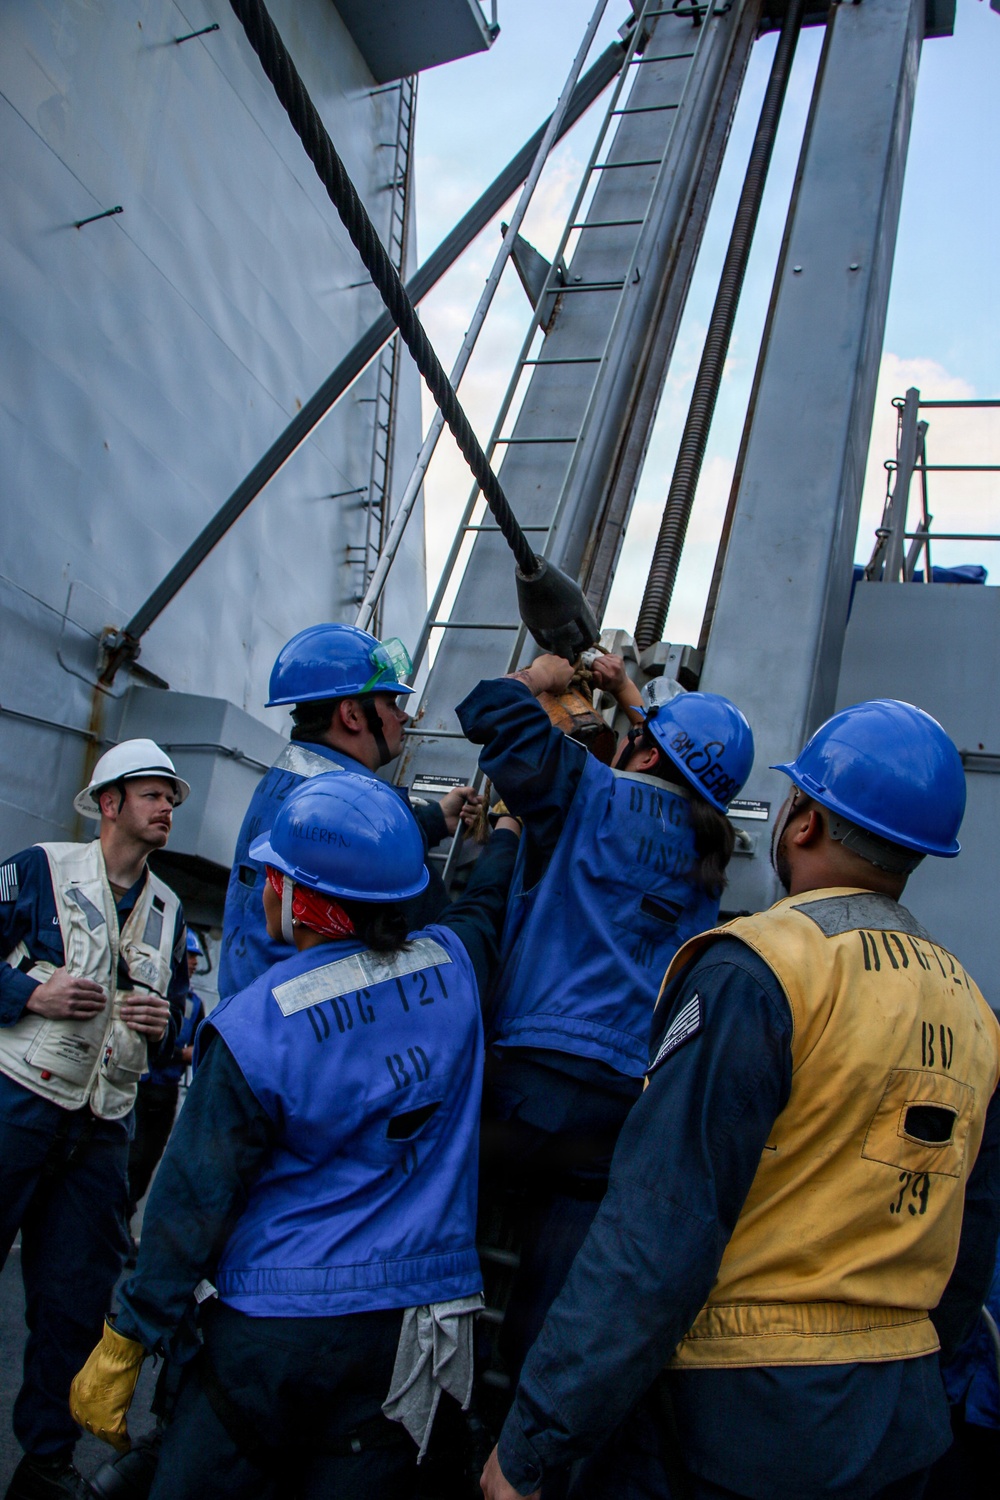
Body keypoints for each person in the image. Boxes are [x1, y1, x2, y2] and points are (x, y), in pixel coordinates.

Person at [479, 698, 1000, 1500]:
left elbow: (658, 1230)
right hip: (896, 1427)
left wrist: (535, 1443)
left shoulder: (761, 970)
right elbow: (970, 1246)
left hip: (732, 1425)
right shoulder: (973, 1011)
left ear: (804, 823)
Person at [70, 772, 521, 1500]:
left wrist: (129, 1338)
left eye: (274, 876)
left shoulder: (255, 1024)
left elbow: (191, 1201)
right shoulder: (457, 965)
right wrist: (506, 830)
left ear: (300, 896)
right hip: (409, 1335)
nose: (267, 890)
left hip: (271, 1332)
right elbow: (487, 906)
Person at [456, 652, 753, 1488]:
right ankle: (512, 1444)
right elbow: (679, 766)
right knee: (558, 1300)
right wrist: (628, 692)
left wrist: (540, 675)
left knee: (446, 1253)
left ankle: (430, 1417)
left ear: (646, 751)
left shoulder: (587, 790)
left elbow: (489, 710)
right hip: (617, 1114)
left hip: (520, 1087)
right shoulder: (710, 853)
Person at [0, 740, 191, 1500]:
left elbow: (175, 1029)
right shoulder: (38, 869)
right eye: (153, 795)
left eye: (171, 799)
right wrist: (28, 997)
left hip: (102, 1128)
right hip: (17, 1102)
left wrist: (163, 1022)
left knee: (75, 1303)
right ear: (110, 803)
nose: (167, 808)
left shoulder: (171, 909)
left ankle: (43, 1463)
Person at [219, 623, 479, 999]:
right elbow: (438, 937)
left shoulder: (283, 776)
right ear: (352, 716)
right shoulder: (355, 797)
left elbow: (332, 849)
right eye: (390, 704)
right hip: (313, 1023)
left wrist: (434, 820)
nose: (403, 717)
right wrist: (506, 838)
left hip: (248, 1006)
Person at [125, 929, 207, 1228]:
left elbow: (197, 1046)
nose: (194, 963)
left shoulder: (194, 1003)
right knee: (130, 1157)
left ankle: (126, 1215)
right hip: (140, 1085)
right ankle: (116, 1219)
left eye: (197, 957)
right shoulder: (154, 993)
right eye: (189, 956)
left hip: (168, 1089)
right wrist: (178, 1054)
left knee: (149, 1159)